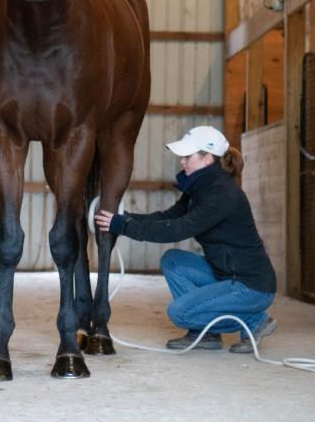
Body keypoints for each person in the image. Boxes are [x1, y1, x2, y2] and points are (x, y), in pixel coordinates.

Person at [94, 126, 277, 352]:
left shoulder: (222, 195)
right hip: (226, 275)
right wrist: (123, 218)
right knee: (173, 261)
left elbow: (177, 229)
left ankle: (254, 321)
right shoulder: (199, 189)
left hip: (251, 286)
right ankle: (208, 334)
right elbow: (168, 218)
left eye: (187, 157)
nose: (182, 161)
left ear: (207, 158)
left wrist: (122, 226)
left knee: (180, 313)